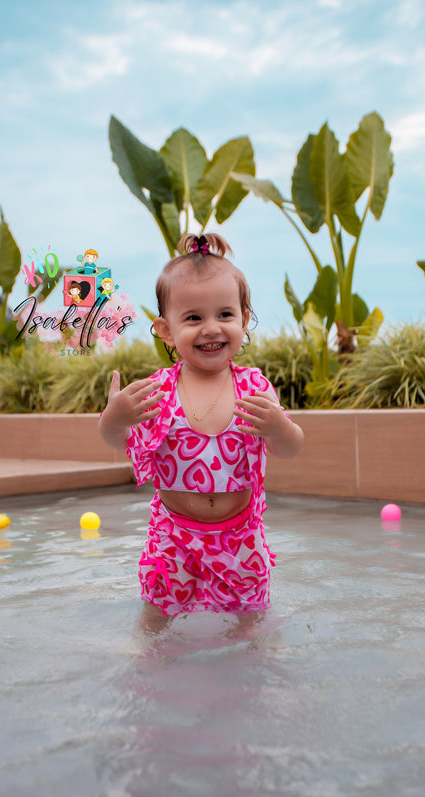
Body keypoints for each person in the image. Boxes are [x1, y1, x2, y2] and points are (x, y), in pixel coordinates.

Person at [99, 233, 303, 629]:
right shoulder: (158, 391)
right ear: (166, 330)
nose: (211, 328)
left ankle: (253, 667)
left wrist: (280, 427)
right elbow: (117, 442)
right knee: (157, 611)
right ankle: (147, 663)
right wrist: (116, 417)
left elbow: (290, 448)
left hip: (240, 533)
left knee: (251, 615)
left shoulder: (255, 386)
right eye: (193, 318)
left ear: (244, 319)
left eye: (225, 315)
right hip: (173, 533)